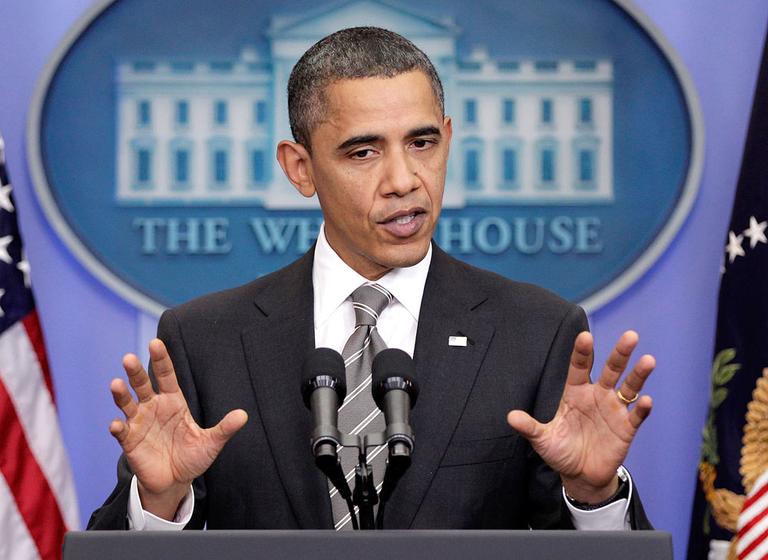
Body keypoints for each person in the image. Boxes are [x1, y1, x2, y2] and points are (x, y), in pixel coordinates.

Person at [88, 26, 654, 531]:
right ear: (300, 168)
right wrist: (160, 500)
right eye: (363, 152)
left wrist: (593, 495)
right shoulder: (204, 340)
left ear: (448, 139)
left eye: (422, 143)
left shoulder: (536, 332)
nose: (403, 180)